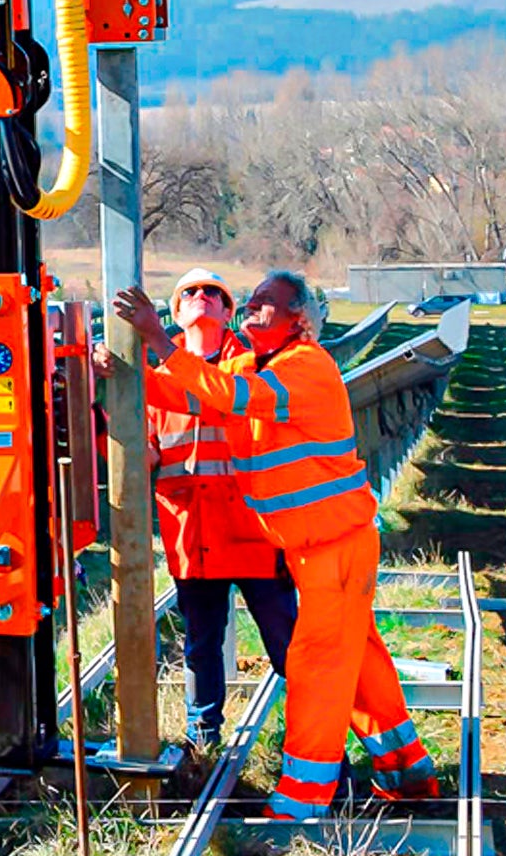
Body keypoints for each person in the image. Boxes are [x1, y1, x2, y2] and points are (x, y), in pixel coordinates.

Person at [113, 270, 437, 818]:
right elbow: (195, 396)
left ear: (299, 320)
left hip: (336, 542)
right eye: (254, 301)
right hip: (313, 546)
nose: (252, 309)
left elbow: (232, 396)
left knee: (314, 661)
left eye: (267, 304)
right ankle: (406, 767)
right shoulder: (251, 364)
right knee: (357, 660)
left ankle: (303, 796)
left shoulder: (305, 367)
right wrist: (128, 376)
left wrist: (159, 339)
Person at [150, 269, 297, 750]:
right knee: (200, 644)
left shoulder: (254, 365)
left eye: (213, 292)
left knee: (286, 643)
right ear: (176, 312)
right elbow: (147, 450)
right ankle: (203, 738)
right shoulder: (155, 382)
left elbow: (216, 400)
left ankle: (314, 736)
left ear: (228, 311)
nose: (201, 297)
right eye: (189, 292)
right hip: (192, 534)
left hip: (254, 532)